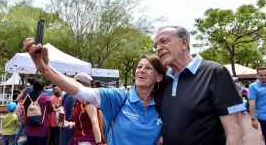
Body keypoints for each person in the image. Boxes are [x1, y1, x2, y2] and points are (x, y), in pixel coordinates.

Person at [23, 38, 165, 145]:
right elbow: (82, 91)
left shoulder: (164, 104)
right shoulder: (119, 97)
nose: (141, 70)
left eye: (148, 68)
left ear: (158, 76)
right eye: (139, 67)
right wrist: (46, 70)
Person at [154, 25, 245, 145]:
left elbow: (235, 132)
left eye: (164, 41)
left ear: (184, 43)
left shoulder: (214, 72)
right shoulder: (164, 80)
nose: (158, 48)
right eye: (156, 46)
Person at [23, 79, 53, 145]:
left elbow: (24, 108)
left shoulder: (27, 97)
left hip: (29, 126)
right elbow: (50, 109)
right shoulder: (45, 98)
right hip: (42, 128)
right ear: (42, 87)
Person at [249, 67, 266, 143]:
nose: (263, 77)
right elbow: (251, 103)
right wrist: (253, 119)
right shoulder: (253, 86)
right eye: (261, 75)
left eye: (265, 75)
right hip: (263, 117)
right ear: (257, 76)